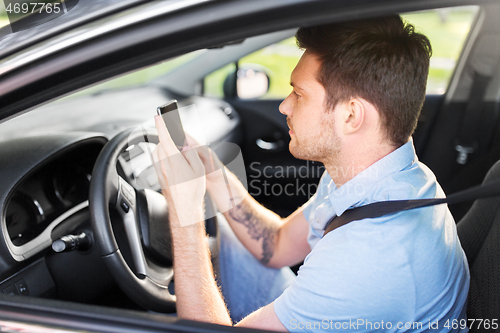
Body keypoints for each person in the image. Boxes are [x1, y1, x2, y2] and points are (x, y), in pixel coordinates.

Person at [152, 14, 470, 332]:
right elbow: (276, 245)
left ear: (351, 115)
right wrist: (212, 174)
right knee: (222, 232)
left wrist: (185, 215)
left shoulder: (370, 254)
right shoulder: (379, 176)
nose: (284, 106)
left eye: (299, 94)